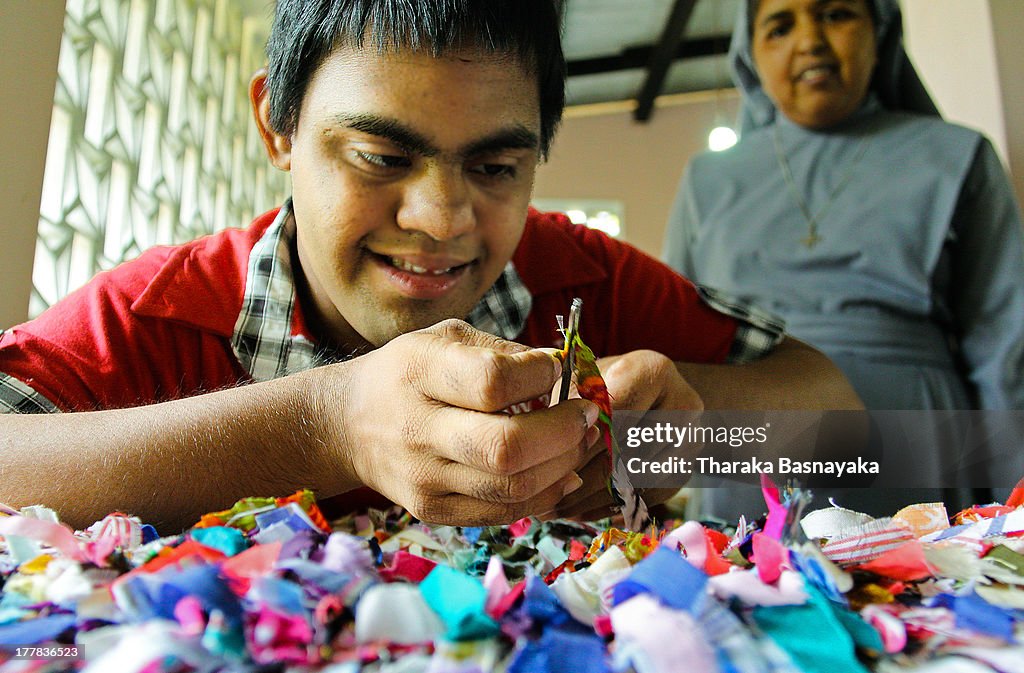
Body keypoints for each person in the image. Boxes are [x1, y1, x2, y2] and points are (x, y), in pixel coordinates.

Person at [0, 0, 860, 533]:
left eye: (495, 169)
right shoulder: (160, 312)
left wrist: (691, 430)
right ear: (278, 126)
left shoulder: (581, 280)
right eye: (379, 155)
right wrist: (326, 424)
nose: (443, 220)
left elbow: (836, 412)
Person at [662, 0, 1024, 516]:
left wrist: (1014, 505)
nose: (810, 40)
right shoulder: (707, 180)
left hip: (917, 450)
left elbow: (1004, 347)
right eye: (779, 26)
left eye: (836, 14)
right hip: (748, 459)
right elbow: (676, 339)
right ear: (751, 58)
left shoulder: (956, 156)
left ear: (879, 34)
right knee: (750, 589)